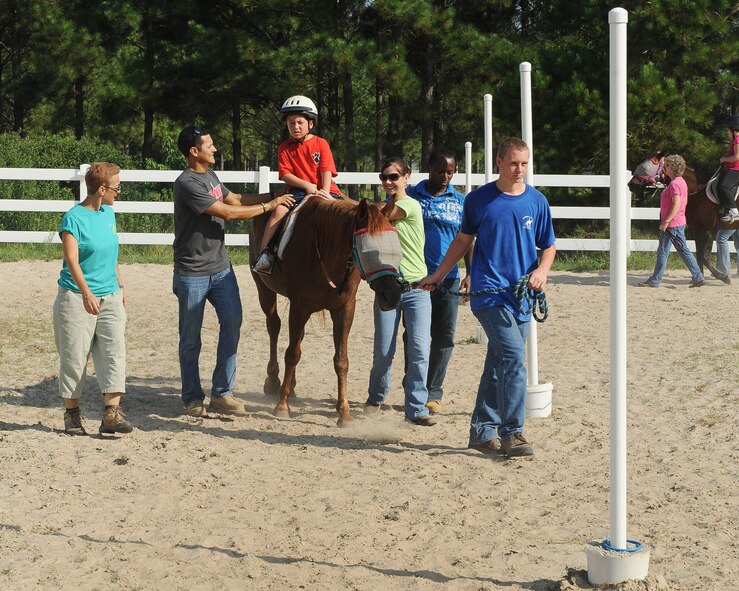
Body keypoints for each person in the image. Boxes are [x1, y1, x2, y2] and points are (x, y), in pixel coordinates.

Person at [419, 137, 556, 457]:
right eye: (513, 163)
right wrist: (439, 275)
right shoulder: (479, 200)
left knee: (499, 363)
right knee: (513, 359)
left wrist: (543, 272)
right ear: (499, 162)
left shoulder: (536, 201)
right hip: (489, 295)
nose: (519, 169)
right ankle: (513, 432)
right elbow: (463, 240)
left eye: (524, 163)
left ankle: (482, 432)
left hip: (521, 296)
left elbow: (548, 245)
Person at [173, 125, 294, 417]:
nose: (214, 149)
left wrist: (273, 195)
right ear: (194, 152)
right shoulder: (187, 183)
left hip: (221, 269)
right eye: (209, 145)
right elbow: (227, 213)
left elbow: (235, 200)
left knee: (232, 323)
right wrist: (269, 206)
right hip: (193, 272)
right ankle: (192, 398)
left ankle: (221, 393)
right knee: (191, 339)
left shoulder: (210, 176)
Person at [52, 162, 133, 436]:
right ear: (101, 189)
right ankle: (72, 415)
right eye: (116, 187)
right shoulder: (72, 218)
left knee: (113, 352)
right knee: (74, 357)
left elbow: (111, 255)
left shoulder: (108, 214)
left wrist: (120, 286)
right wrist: (86, 293)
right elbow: (71, 260)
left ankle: (111, 413)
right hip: (76, 296)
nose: (118, 192)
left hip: (110, 295)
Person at [365, 157, 435, 427]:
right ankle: (376, 396)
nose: (388, 182)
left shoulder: (410, 205)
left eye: (394, 177)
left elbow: (382, 213)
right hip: (388, 287)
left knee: (419, 350)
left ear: (407, 177)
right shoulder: (380, 209)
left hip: (416, 287)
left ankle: (416, 408)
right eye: (384, 177)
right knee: (383, 350)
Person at [406, 148, 470, 415]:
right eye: (440, 171)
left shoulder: (461, 202)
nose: (445, 176)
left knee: (444, 337)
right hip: (417, 276)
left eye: (451, 172)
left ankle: (433, 392)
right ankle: (414, 387)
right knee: (415, 338)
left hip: (450, 277)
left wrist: (471, 272)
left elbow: (468, 239)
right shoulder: (410, 196)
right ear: (428, 167)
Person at [253, 95, 345, 274]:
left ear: (310, 124)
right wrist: (306, 186)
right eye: (291, 123)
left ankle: (353, 255)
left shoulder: (321, 144)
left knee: (347, 213)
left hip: (326, 190)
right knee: (278, 212)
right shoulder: (284, 147)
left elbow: (326, 170)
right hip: (297, 192)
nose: (295, 127)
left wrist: (324, 192)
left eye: (299, 122)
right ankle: (264, 255)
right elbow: (285, 174)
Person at [638, 154, 706, 288]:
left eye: (667, 165)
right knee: (680, 250)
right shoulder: (680, 182)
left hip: (672, 224)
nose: (664, 166)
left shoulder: (675, 184)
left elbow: (676, 204)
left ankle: (655, 280)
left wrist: (666, 221)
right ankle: (698, 277)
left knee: (665, 251)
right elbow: (683, 203)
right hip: (677, 222)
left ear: (673, 168)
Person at [717, 114, 739, 223]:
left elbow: (736, 157)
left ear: (733, 128)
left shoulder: (737, 140)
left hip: (736, 169)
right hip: (731, 168)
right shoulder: (734, 141)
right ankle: (726, 210)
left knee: (724, 186)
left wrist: (724, 159)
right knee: (718, 184)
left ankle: (734, 211)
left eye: (728, 128)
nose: (727, 131)